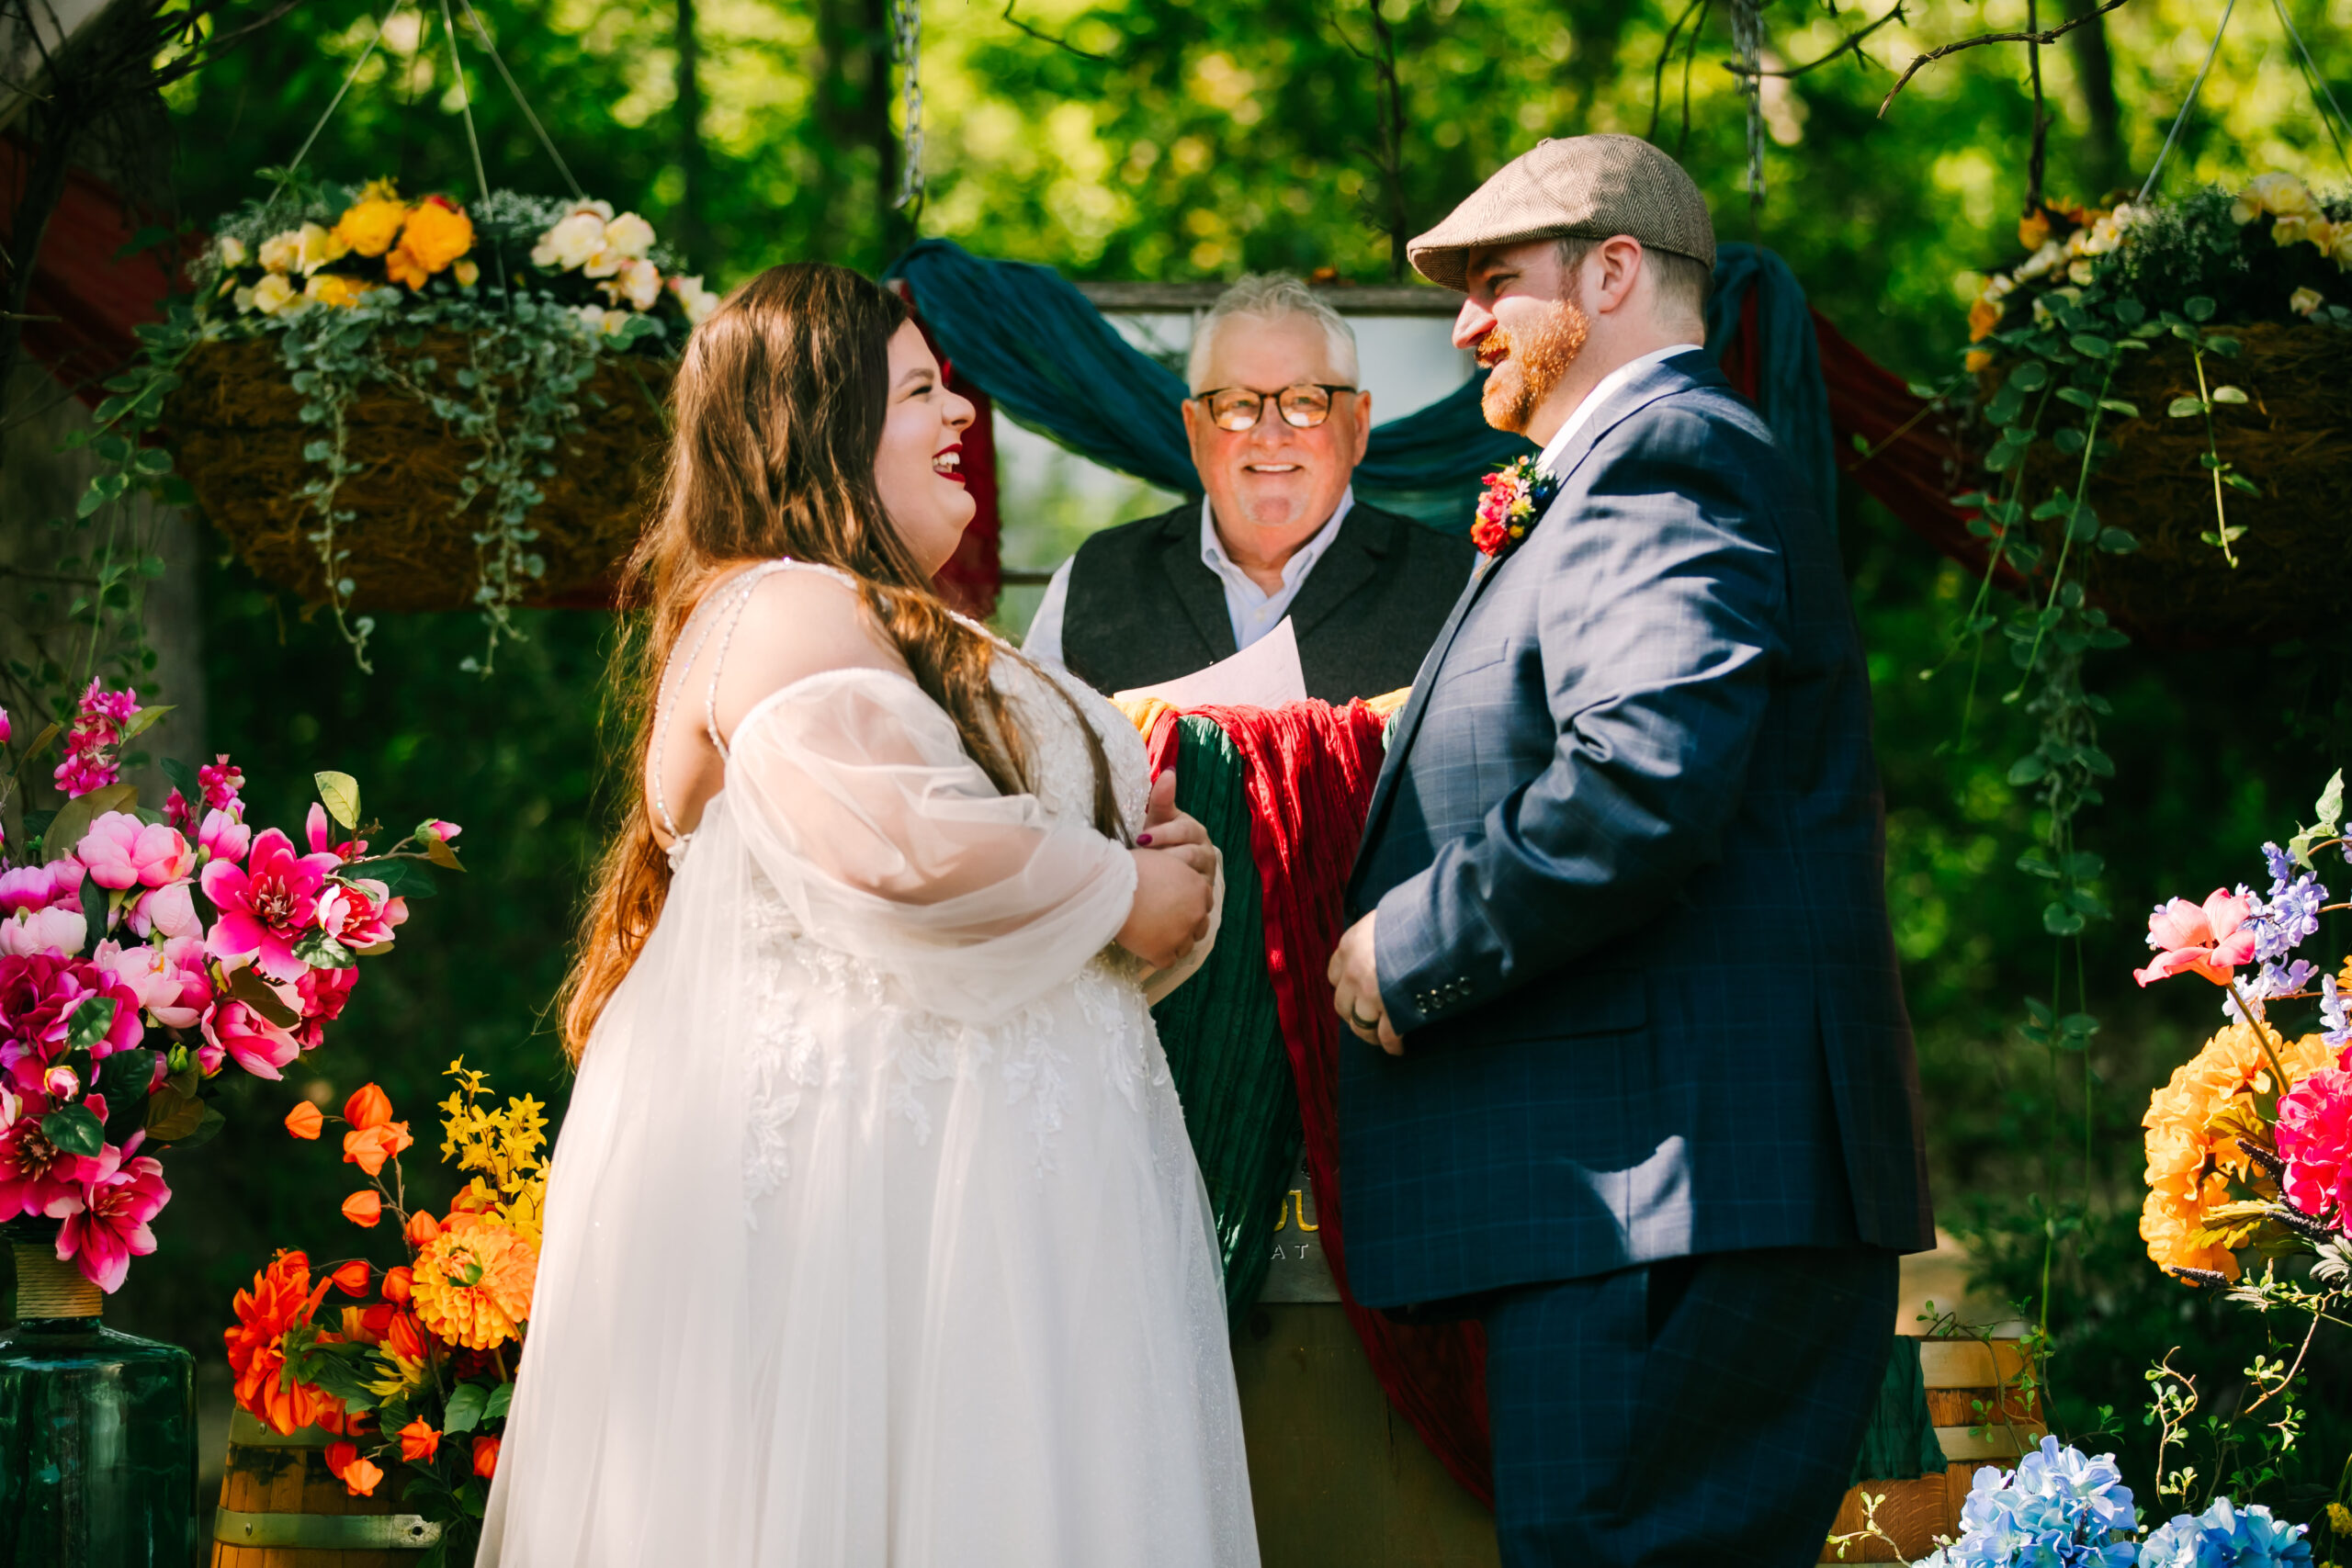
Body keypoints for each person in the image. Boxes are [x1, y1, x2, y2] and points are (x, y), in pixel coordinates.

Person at [481, 263, 1259, 1567]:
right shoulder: (786, 602)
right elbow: (897, 845)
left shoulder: (873, 620)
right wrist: (1127, 886)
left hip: (995, 1190)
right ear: (818, 426)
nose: (961, 411)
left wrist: (1157, 874)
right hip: (899, 1208)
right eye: (918, 388)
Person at [1325, 135, 1934, 1565]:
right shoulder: (1627, 465)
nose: (1465, 323)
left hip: (1674, 1201)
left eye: (1493, 283)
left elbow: (1641, 775)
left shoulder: (1664, 452)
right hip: (1656, 1196)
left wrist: (1406, 943)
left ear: (1611, 272)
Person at [1023, 275, 1474, 704]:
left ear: (1358, 426)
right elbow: (1029, 766)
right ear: (1193, 429)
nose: (1271, 434)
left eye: (1304, 400)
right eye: (1238, 403)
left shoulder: (1458, 585)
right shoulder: (1093, 578)